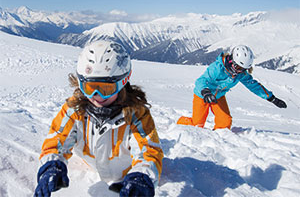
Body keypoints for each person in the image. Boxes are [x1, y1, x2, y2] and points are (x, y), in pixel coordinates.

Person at [34, 40, 164, 197]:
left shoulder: (136, 114)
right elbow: (56, 142)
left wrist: (141, 177)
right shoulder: (74, 110)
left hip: (127, 175)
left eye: (106, 89)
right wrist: (51, 166)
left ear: (122, 83)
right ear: (81, 84)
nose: (97, 96)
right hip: (92, 169)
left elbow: (148, 150)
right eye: (90, 88)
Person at [177, 45, 287, 130]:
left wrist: (272, 98)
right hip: (202, 95)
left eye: (243, 69)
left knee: (225, 123)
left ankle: (217, 139)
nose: (239, 71)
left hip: (218, 96)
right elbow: (201, 80)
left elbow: (253, 85)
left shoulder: (240, 74)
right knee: (197, 124)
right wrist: (206, 92)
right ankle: (180, 123)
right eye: (238, 67)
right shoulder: (218, 68)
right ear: (231, 60)